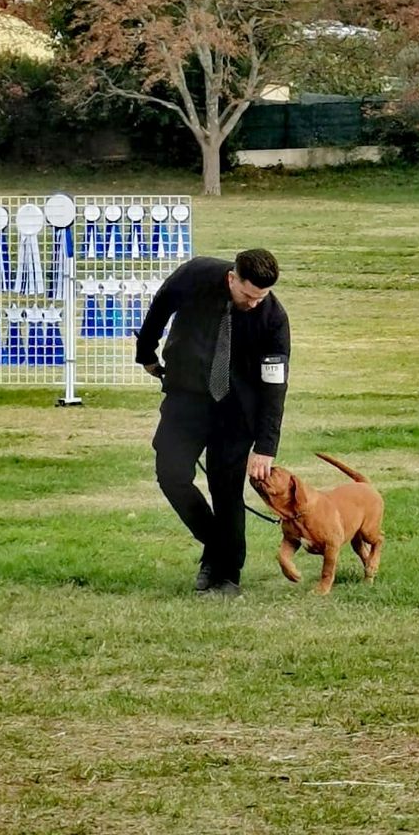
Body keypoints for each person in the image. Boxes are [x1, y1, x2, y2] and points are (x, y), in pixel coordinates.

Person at [135, 248, 290, 598]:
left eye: (261, 297)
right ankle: (218, 545)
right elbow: (160, 307)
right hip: (187, 397)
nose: (254, 303)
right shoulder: (196, 275)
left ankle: (226, 575)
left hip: (236, 412)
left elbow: (274, 384)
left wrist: (265, 447)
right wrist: (146, 353)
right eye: (248, 295)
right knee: (171, 474)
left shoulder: (273, 318)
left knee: (226, 490)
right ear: (233, 278)